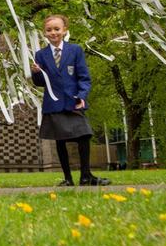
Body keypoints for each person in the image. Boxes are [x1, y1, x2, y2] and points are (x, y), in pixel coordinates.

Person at [30, 14, 110, 186]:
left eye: (57, 29)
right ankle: (67, 178)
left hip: (73, 101)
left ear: (64, 30)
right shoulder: (41, 55)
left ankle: (86, 176)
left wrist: (82, 96)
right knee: (60, 140)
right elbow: (39, 83)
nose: (53, 33)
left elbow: (84, 77)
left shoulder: (75, 50)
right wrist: (36, 73)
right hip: (54, 104)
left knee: (84, 136)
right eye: (49, 30)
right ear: (44, 33)